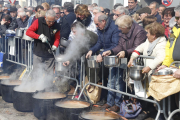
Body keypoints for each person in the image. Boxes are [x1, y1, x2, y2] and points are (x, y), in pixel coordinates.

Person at [86, 13, 121, 112]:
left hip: (116, 57)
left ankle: (117, 103)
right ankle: (109, 102)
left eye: (97, 24)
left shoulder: (114, 28)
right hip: (107, 57)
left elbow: (115, 45)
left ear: (104, 21)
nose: (96, 27)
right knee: (108, 80)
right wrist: (92, 50)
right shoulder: (101, 28)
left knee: (117, 81)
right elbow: (99, 43)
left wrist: (101, 54)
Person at [26, 10, 60, 78]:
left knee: (49, 73)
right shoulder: (38, 21)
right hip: (38, 51)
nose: (51, 23)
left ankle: (48, 87)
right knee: (37, 72)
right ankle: (36, 87)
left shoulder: (56, 25)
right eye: (49, 21)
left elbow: (57, 38)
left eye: (52, 21)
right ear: (45, 17)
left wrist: (55, 45)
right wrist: (39, 37)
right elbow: (28, 32)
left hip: (50, 53)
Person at [158, 5, 180, 71]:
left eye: (178, 18)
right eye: (175, 17)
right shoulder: (175, 29)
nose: (175, 20)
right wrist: (165, 64)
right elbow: (169, 49)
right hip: (174, 67)